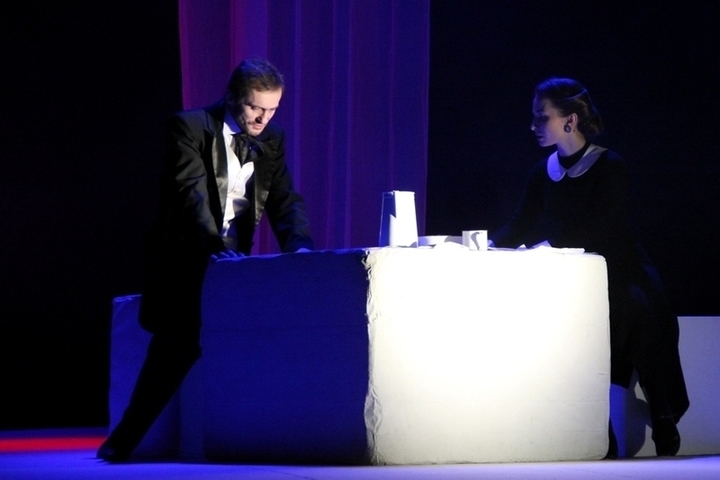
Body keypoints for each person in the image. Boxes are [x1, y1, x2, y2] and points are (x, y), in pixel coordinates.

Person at [97, 58, 314, 462]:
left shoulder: (272, 137)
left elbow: (284, 199)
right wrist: (214, 246)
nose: (263, 118)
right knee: (176, 343)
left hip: (232, 263)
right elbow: (190, 195)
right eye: (255, 108)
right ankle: (123, 440)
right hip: (187, 256)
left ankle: (259, 440)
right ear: (232, 97)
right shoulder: (190, 127)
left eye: (271, 110)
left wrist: (300, 248)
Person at [489, 77, 689, 457]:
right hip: (572, 277)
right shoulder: (542, 172)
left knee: (636, 310)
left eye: (542, 117)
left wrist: (549, 248)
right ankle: (598, 429)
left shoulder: (609, 165)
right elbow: (519, 224)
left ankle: (662, 413)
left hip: (621, 268)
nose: (533, 125)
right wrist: (488, 246)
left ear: (570, 120)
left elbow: (601, 228)